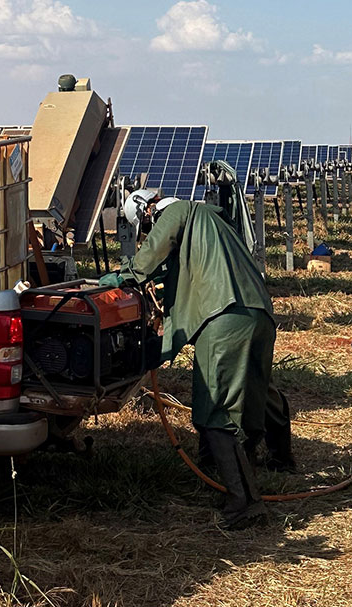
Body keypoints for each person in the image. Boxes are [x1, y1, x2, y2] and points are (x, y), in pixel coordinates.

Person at [111, 192, 279, 528]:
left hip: (224, 319)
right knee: (248, 405)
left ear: (148, 213)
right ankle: (248, 486)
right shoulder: (214, 220)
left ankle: (243, 503)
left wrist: (125, 277)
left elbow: (151, 256)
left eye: (146, 227)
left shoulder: (177, 213)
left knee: (214, 414)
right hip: (259, 315)